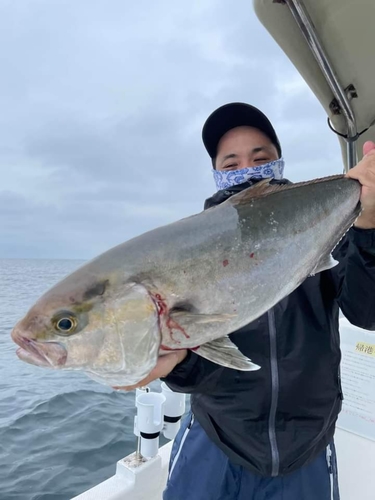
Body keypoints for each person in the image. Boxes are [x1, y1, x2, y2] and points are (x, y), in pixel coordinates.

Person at [121, 103, 375, 499]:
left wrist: (368, 225)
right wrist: (180, 364)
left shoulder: (325, 225)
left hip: (306, 445)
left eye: (261, 158)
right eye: (232, 161)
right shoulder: (191, 252)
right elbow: (202, 373)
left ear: (279, 160)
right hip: (218, 439)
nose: (247, 169)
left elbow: (367, 311)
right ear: (217, 173)